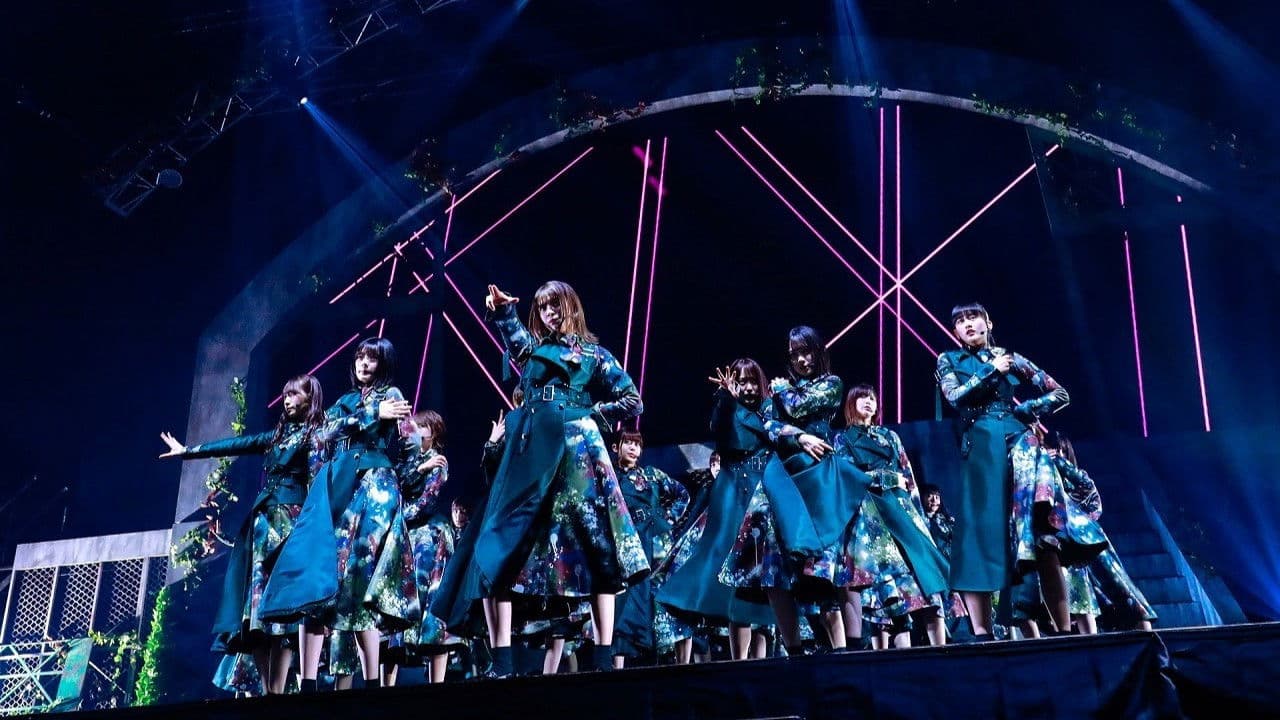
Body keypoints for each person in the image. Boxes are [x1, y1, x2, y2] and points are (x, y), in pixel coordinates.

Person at [434, 281, 648, 676]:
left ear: (571, 307)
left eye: (555, 305)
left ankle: (603, 658)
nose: (549, 313)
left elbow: (632, 399)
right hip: (530, 447)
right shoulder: (534, 349)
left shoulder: (594, 354)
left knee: (596, 546)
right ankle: (502, 661)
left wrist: (588, 415)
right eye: (543, 307)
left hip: (576, 448)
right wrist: (504, 312)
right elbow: (517, 343)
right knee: (500, 543)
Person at [935, 303, 1104, 639]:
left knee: (1040, 533)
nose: (967, 324)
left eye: (973, 317)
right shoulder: (948, 360)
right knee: (978, 534)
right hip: (981, 447)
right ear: (955, 332)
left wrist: (1026, 411)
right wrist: (991, 371)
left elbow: (1060, 393)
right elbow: (954, 397)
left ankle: (1064, 631)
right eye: (960, 321)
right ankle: (983, 634)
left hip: (1019, 443)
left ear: (988, 323)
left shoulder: (1012, 359)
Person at [260, 338, 418, 690]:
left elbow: (411, 444)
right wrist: (371, 415)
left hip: (377, 486)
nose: (363, 364)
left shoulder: (392, 394)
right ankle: (309, 682)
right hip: (342, 486)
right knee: (327, 574)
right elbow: (324, 432)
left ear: (384, 363)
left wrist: (406, 480)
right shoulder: (345, 401)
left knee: (362, 576)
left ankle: (372, 681)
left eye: (372, 359)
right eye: (360, 357)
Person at [159, 374, 326, 694]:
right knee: (256, 614)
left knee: (284, 613)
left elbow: (320, 483)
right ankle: (268, 691)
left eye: (294, 394)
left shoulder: (317, 435)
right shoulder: (277, 435)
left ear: (310, 398)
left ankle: (281, 689)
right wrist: (188, 451)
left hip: (292, 527)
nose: (288, 400)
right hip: (262, 527)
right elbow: (237, 444)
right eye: (285, 394)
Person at [657, 359, 821, 659]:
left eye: (752, 381)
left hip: (767, 493)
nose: (747, 388)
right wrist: (726, 398)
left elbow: (779, 431)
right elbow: (722, 431)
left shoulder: (771, 408)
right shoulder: (727, 407)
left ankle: (786, 651)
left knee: (771, 575)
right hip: (733, 493)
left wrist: (798, 435)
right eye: (741, 382)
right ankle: (739, 661)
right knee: (734, 576)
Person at [834, 384, 950, 648]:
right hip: (871, 515)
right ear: (850, 403)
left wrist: (919, 518)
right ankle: (897, 657)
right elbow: (847, 476)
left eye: (872, 398)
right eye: (862, 397)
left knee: (926, 579)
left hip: (902, 509)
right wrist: (884, 478)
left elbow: (908, 476)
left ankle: (942, 653)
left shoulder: (890, 436)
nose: (868, 401)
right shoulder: (843, 439)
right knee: (891, 591)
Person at [385, 410, 460, 684]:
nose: (412, 431)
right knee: (397, 607)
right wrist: (418, 469)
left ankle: (437, 684)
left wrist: (395, 519)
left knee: (432, 607)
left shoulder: (438, 462)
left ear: (432, 432)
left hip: (429, 541)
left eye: (419, 426)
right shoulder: (408, 461)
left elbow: (426, 502)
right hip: (406, 538)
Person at [611, 430, 691, 667]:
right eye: (628, 443)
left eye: (637, 444)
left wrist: (668, 518)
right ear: (616, 447)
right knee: (623, 603)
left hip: (656, 544)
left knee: (659, 603)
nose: (633, 448)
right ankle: (617, 669)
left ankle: (666, 666)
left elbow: (682, 494)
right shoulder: (609, 477)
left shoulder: (651, 474)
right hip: (626, 544)